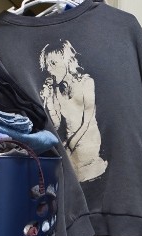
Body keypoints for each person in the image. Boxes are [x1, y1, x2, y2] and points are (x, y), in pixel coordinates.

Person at [39, 40, 108, 182]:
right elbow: (57, 124)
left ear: (66, 61)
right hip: (70, 143)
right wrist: (48, 99)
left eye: (53, 63)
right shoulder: (57, 89)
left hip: (88, 141)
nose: (49, 69)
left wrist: (68, 147)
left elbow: (87, 121)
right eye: (47, 65)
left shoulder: (86, 82)